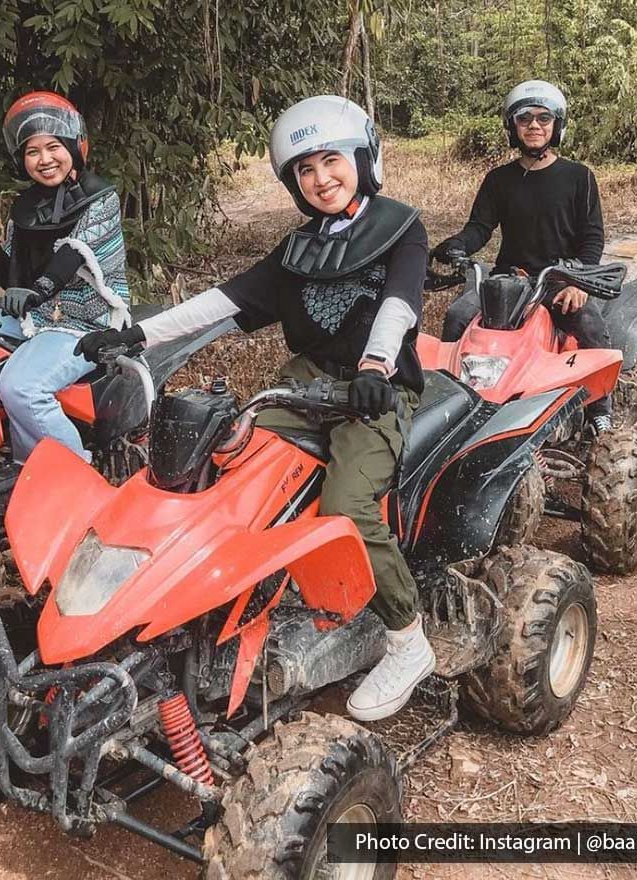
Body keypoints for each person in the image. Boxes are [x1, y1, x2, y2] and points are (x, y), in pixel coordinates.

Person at [75, 96, 435, 722]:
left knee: (346, 505)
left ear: (362, 159)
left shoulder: (401, 227)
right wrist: (135, 333)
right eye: (305, 170)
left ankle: (407, 639)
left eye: (332, 161)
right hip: (303, 386)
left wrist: (377, 367)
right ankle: (223, 597)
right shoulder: (296, 250)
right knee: (224, 469)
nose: (321, 178)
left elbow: (399, 307)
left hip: (375, 391)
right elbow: (222, 300)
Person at [0, 90, 131, 462]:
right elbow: (11, 276)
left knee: (21, 387)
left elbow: (70, 258)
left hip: (87, 322)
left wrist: (38, 291)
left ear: (74, 147)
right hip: (34, 317)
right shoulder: (26, 207)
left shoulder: (100, 199)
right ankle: (13, 469)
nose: (44, 159)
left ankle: (77, 476)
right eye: (32, 151)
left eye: (53, 147)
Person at [434, 79, 613, 432]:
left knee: (592, 327)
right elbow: (479, 228)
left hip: (559, 280)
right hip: (508, 281)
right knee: (457, 317)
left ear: (556, 126)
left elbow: (592, 238)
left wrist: (579, 282)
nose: (534, 125)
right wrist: (458, 245)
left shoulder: (579, 177)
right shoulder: (499, 180)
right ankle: (445, 402)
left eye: (544, 118)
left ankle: (601, 411)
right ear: (512, 126)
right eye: (525, 118)